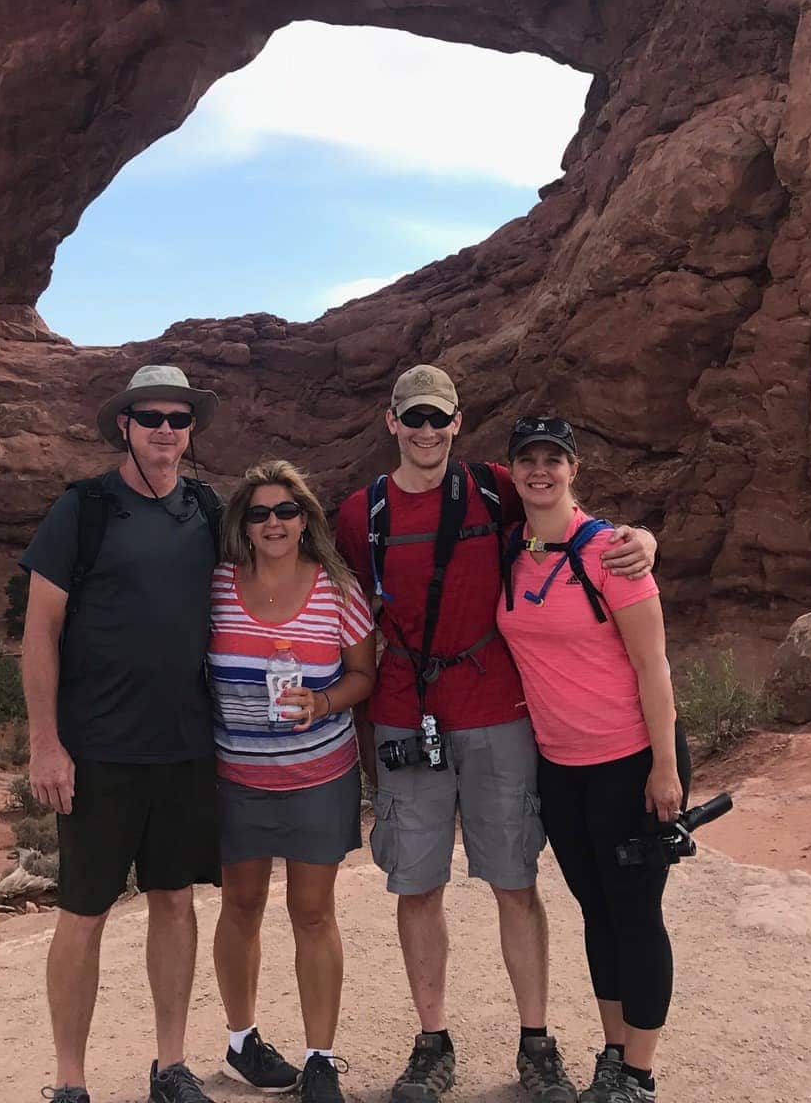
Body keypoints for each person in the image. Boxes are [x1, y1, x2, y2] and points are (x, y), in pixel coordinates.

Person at [332, 364, 659, 1103]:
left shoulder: (492, 488)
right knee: (416, 885)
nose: (423, 431)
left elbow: (567, 513)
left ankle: (536, 1043)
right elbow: (338, 593)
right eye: (410, 418)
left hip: (495, 712)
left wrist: (638, 539)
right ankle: (432, 1042)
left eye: (436, 418)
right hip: (403, 711)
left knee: (514, 878)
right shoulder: (363, 513)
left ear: (456, 422)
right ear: (391, 422)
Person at [19, 364, 227, 1103]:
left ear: (190, 429)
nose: (166, 431)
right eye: (151, 418)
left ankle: (170, 1066)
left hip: (184, 746)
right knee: (84, 912)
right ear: (124, 427)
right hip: (99, 749)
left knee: (175, 901)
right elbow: (40, 631)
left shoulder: (207, 508)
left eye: (178, 419)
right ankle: (69, 1081)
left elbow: (281, 561)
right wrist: (46, 742)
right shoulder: (85, 509)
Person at [494, 417, 682, 1103]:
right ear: (513, 472)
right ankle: (612, 1053)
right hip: (559, 765)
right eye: (528, 461)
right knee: (597, 913)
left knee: (635, 915)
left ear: (574, 468)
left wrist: (666, 768)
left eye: (553, 460)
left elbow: (653, 666)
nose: (540, 471)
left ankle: (639, 1073)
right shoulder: (513, 547)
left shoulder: (612, 553)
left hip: (628, 759)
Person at [207, 460, 376, 1103]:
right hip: (237, 777)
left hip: (318, 775)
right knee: (241, 906)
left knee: (312, 912)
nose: (273, 523)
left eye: (286, 511)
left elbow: (362, 675)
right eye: (259, 513)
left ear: (305, 519)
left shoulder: (337, 588)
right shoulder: (218, 585)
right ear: (242, 525)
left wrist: (325, 704)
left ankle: (320, 1058)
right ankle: (241, 1040)